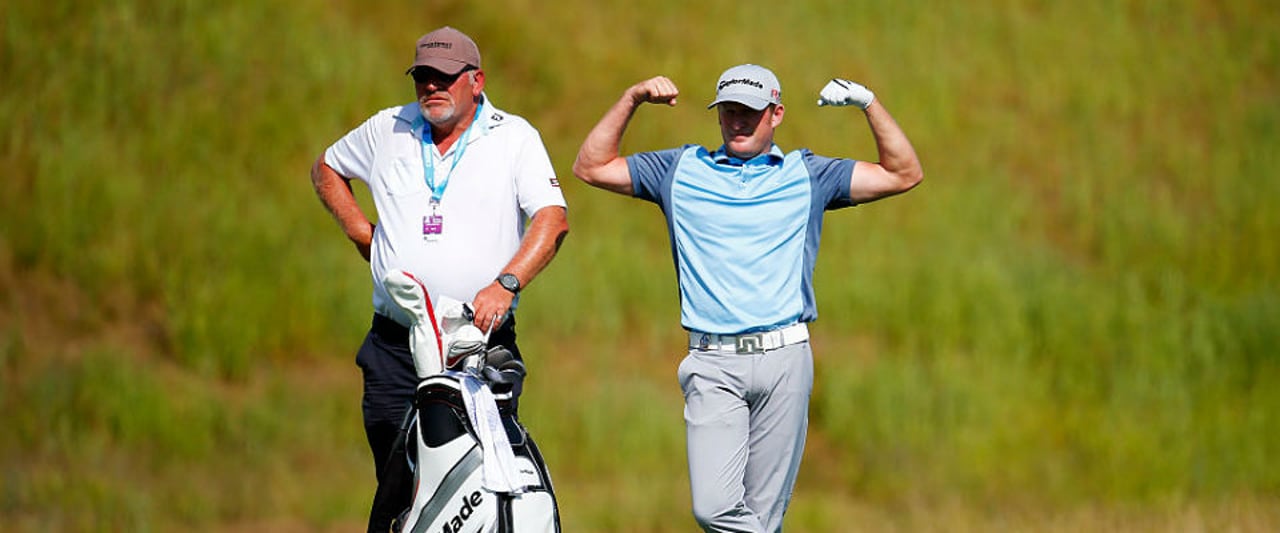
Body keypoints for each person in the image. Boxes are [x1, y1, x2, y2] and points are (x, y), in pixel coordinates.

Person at [572, 64, 922, 532]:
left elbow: (903, 173)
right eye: (729, 111)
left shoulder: (809, 175)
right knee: (715, 510)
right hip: (713, 363)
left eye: (750, 112)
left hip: (785, 361)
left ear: (776, 114)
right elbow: (590, 166)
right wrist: (631, 98)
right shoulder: (679, 169)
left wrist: (869, 104)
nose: (737, 121)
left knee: (762, 519)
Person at [310, 26, 569, 532]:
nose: (432, 87)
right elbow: (327, 168)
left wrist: (507, 283)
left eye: (445, 78)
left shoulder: (513, 137)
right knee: (397, 487)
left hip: (473, 344)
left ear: (477, 80)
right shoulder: (388, 128)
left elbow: (552, 219)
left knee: (477, 485)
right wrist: (364, 236)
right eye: (423, 77)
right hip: (395, 345)